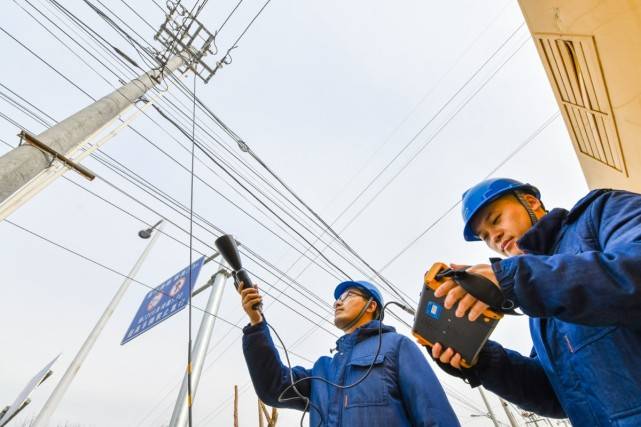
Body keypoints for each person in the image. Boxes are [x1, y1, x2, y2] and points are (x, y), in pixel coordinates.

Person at [432, 177, 641, 426]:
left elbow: (634, 272)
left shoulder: (602, 211)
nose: (494, 238)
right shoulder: (538, 306)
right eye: (484, 236)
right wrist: (483, 360)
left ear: (531, 202)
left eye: (496, 220)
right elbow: (557, 395)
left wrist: (515, 276)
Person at [240, 280, 460, 426]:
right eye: (337, 298)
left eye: (347, 296)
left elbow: (435, 415)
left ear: (371, 305)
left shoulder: (396, 346)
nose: (337, 302)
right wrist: (256, 322)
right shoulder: (323, 370)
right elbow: (273, 387)